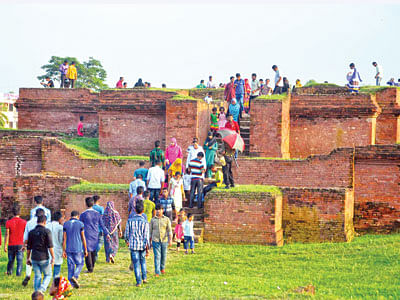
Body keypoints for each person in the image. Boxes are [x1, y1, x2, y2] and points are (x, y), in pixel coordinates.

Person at [79, 197, 110, 273]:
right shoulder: (97, 214)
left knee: (87, 250)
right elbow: (102, 225)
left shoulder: (83, 214)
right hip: (95, 234)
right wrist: (107, 233)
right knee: (93, 250)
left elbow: (80, 225)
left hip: (86, 234)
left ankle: (90, 268)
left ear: (86, 204)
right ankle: (92, 266)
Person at [27, 214, 55, 293]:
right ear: (44, 222)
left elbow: (29, 247)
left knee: (37, 276)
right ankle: (42, 289)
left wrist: (27, 258)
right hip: (44, 257)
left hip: (34, 257)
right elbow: (50, 246)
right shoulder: (47, 231)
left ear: (37, 221)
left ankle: (36, 292)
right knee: (48, 275)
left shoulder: (31, 232)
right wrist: (53, 257)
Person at [125, 201, 149, 287]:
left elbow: (127, 233)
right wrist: (147, 247)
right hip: (142, 245)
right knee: (143, 261)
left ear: (134, 210)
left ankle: (138, 281)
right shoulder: (145, 222)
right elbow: (146, 236)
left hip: (133, 245)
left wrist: (127, 241)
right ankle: (144, 278)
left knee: (136, 264)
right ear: (143, 211)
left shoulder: (130, 221)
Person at [63, 210, 88, 289]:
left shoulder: (66, 224)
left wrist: (64, 250)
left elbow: (64, 238)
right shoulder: (80, 224)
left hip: (69, 248)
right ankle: (75, 275)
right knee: (80, 263)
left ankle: (70, 284)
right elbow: (83, 237)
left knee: (70, 266)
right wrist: (85, 249)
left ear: (71, 216)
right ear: (78, 216)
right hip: (78, 247)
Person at [22, 208, 45, 287]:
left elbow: (26, 235)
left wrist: (24, 245)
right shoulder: (44, 223)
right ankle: (38, 278)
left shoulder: (29, 223)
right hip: (41, 245)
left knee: (29, 260)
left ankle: (28, 274)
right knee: (40, 262)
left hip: (31, 244)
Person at [149, 204, 172, 276]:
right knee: (157, 256)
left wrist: (170, 240)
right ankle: (157, 271)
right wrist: (149, 241)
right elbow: (150, 231)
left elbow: (169, 230)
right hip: (155, 240)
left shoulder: (166, 219)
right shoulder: (153, 220)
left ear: (162, 210)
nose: (158, 211)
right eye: (157, 210)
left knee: (163, 255)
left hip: (164, 240)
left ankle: (162, 268)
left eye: (159, 209)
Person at [5, 204, 27, 276]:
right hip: (20, 244)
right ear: (19, 212)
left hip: (11, 244)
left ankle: (9, 272)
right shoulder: (24, 222)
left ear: (12, 212)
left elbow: (7, 234)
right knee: (19, 261)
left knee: (11, 260)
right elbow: (25, 234)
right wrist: (26, 244)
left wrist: (5, 245)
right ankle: (18, 274)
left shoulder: (8, 222)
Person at [48, 211, 64, 278]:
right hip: (57, 248)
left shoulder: (47, 225)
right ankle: (55, 282)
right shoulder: (60, 227)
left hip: (48, 249)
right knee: (57, 266)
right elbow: (61, 240)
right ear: (60, 219)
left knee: (48, 268)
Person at [93, 195, 104, 261]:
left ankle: (95, 254)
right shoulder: (101, 208)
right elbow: (102, 219)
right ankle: (95, 252)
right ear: (99, 200)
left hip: (93, 228)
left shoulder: (91, 208)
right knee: (100, 241)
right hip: (99, 227)